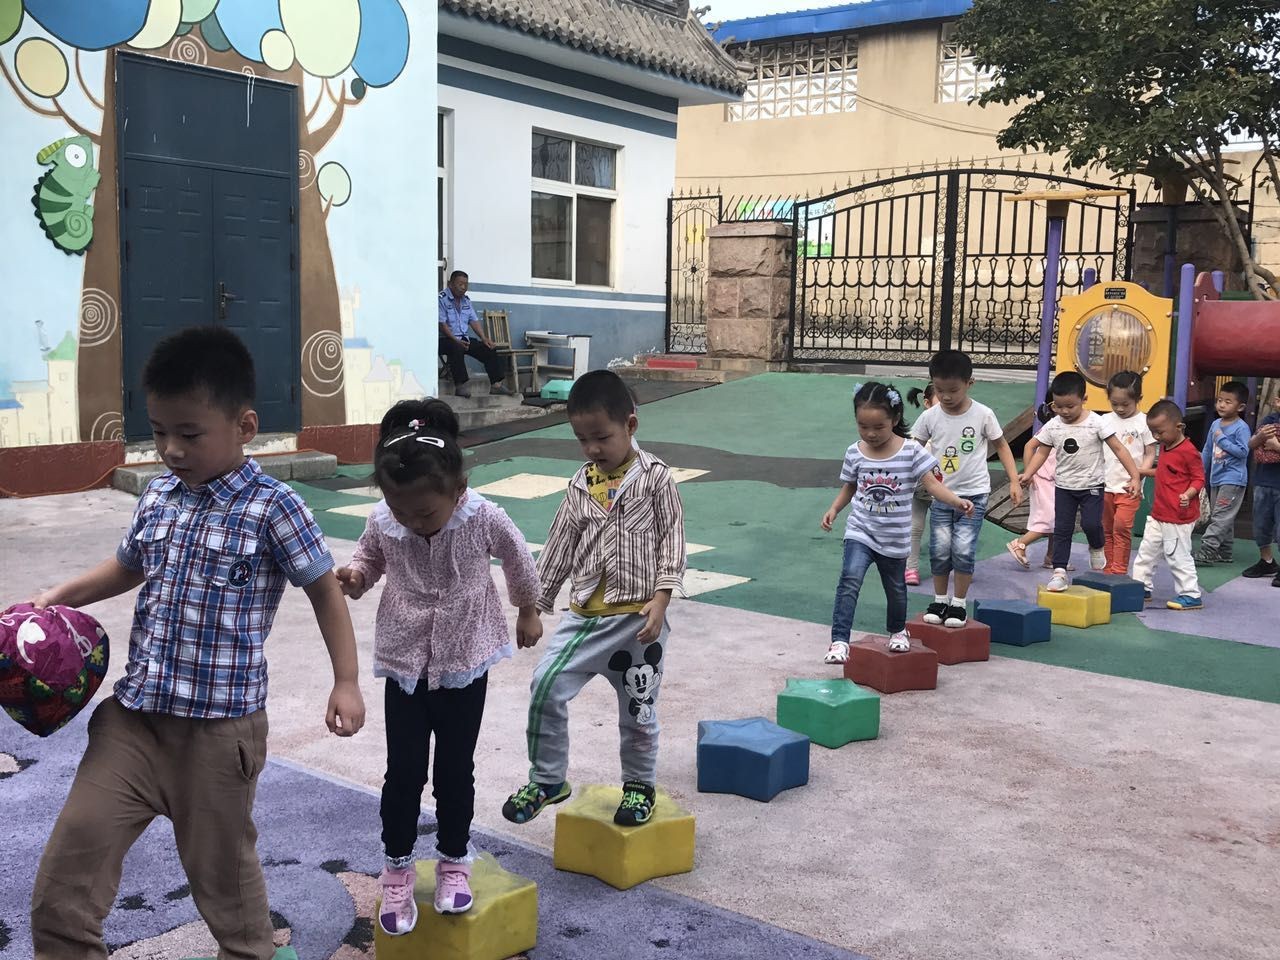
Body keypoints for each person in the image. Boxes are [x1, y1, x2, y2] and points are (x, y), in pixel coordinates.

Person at [25, 326, 365, 959]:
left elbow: (324, 591)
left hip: (218, 737)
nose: (171, 449)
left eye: (189, 433)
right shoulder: (158, 495)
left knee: (229, 895)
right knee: (64, 884)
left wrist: (345, 681)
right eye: (158, 432)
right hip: (133, 726)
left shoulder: (274, 507)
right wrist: (61, 595)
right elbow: (128, 566)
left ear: (244, 426)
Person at [336, 399, 541, 935]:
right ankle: (397, 869)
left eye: (424, 514)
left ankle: (454, 860)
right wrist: (357, 576)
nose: (411, 522)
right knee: (403, 770)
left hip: (465, 660)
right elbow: (370, 557)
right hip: (405, 661)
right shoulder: (384, 520)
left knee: (454, 768)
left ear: (458, 489)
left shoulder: (483, 516)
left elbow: (519, 557)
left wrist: (527, 609)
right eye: (399, 510)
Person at [502, 370, 685, 829]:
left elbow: (672, 541)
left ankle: (639, 786)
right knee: (546, 686)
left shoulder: (656, 479)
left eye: (601, 437)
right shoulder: (580, 484)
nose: (592, 449)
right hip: (584, 619)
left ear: (630, 425)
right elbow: (558, 546)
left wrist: (662, 599)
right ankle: (548, 780)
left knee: (639, 712)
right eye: (582, 439)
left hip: (637, 623)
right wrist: (533, 606)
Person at [822, 382, 974, 663]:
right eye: (863, 426)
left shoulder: (911, 451)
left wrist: (956, 501)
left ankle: (897, 631)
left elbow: (932, 484)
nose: (870, 433)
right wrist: (834, 509)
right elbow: (850, 486)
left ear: (894, 419)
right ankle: (839, 641)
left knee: (895, 589)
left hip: (895, 538)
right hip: (860, 531)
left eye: (878, 427)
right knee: (850, 579)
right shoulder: (855, 452)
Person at [912, 350, 1021, 627]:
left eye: (953, 390)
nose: (946, 396)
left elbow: (1002, 445)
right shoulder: (930, 417)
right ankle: (940, 600)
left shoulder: (983, 414)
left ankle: (958, 603)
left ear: (969, 383)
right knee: (940, 549)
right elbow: (913, 448)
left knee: (962, 549)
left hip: (974, 494)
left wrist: (1014, 480)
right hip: (942, 495)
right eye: (940, 390)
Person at [1020, 371, 1141, 592]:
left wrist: (1134, 476)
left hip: (1091, 486)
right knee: (1062, 529)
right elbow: (1041, 452)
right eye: (1058, 406)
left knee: (1091, 524)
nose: (1064, 411)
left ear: (1084, 399)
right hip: (1063, 487)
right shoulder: (1054, 425)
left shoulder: (1096, 422)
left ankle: (1096, 546)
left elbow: (1118, 448)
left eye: (1070, 406)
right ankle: (1059, 571)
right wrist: (1029, 473)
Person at [1132, 399, 1205, 610]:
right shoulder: (1165, 446)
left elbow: (1199, 478)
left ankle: (1190, 594)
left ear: (1179, 427)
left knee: (1177, 555)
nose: (1156, 437)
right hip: (1159, 513)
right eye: (1153, 432)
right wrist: (1141, 471)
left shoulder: (1188, 451)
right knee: (1147, 552)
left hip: (1177, 516)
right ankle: (1141, 586)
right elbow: (1165, 472)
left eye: (1160, 432)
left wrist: (1188, 494)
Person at [1099, 371, 1158, 575]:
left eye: (1125, 404)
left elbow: (1150, 452)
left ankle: (1119, 569)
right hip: (1105, 483)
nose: (1120, 408)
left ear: (1138, 399)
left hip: (1129, 486)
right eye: (1115, 403)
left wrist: (1139, 475)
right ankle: (1108, 567)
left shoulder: (1144, 422)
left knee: (1122, 526)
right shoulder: (1104, 420)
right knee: (1106, 528)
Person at [1006, 397, 1073, 571]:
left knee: (1059, 519)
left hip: (1058, 480)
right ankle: (1020, 544)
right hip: (1044, 479)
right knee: (1049, 518)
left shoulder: (1074, 426)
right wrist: (1030, 473)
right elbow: (1029, 447)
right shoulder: (1051, 427)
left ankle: (1052, 556)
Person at [1195, 381, 1252, 565]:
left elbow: (1243, 451)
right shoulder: (1215, 424)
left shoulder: (1241, 427)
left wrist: (1222, 439)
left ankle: (1208, 549)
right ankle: (1224, 551)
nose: (1221, 405)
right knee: (1222, 514)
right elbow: (1207, 450)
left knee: (1221, 515)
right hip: (1216, 477)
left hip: (1233, 479)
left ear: (1240, 407)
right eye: (1220, 400)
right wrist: (1200, 472)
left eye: (1228, 402)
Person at [438, 270, 512, 399]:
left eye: (466, 284)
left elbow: (474, 321)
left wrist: (484, 338)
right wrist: (455, 340)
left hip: (462, 338)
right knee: (456, 347)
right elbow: (442, 325)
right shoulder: (441, 299)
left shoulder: (466, 301)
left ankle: (496, 385)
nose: (463, 287)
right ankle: (460, 385)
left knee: (488, 348)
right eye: (460, 284)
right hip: (444, 339)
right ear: (450, 284)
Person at [1243, 389, 1280, 586]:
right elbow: (1251, 444)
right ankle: (1267, 561)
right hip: (1264, 481)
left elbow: (1272, 446)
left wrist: (1276, 446)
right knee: (1261, 525)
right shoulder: (1270, 420)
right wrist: (1260, 437)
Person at [905, 384, 935, 586]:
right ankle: (911, 568)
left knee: (945, 529)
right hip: (920, 488)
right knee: (915, 527)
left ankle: (955, 563)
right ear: (927, 403)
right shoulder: (920, 429)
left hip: (943, 488)